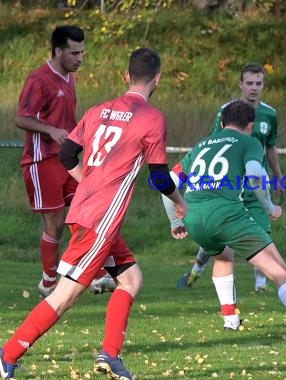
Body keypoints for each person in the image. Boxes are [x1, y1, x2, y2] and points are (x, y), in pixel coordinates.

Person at [0, 48, 187, 380]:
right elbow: (159, 177)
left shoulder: (99, 109)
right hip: (101, 220)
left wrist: (87, 182)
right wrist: (179, 201)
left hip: (89, 211)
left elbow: (68, 153)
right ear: (157, 78)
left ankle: (110, 355)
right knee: (64, 296)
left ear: (126, 76)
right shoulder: (152, 118)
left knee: (130, 279)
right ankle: (7, 356)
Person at [162, 100, 286, 341]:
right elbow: (256, 173)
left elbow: (167, 182)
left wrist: (175, 222)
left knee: (223, 257)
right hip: (228, 215)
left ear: (222, 122)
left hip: (195, 217)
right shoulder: (248, 142)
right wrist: (270, 207)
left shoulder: (201, 146)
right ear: (250, 125)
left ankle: (230, 320)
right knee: (278, 268)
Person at [15, 25, 115, 297]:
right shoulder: (39, 80)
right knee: (56, 221)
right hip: (41, 161)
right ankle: (48, 280)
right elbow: (20, 118)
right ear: (58, 51)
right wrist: (50, 130)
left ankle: (97, 271)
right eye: (74, 53)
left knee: (87, 210)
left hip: (64, 159)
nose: (80, 58)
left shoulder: (70, 78)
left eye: (82, 52)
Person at [177, 62, 283, 292]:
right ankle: (197, 268)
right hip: (227, 185)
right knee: (219, 235)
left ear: (263, 85)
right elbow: (216, 145)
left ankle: (261, 285)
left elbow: (270, 148)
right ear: (241, 84)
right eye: (249, 83)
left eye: (259, 83)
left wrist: (278, 176)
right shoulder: (226, 111)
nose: (254, 88)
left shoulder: (270, 114)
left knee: (262, 230)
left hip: (254, 185)